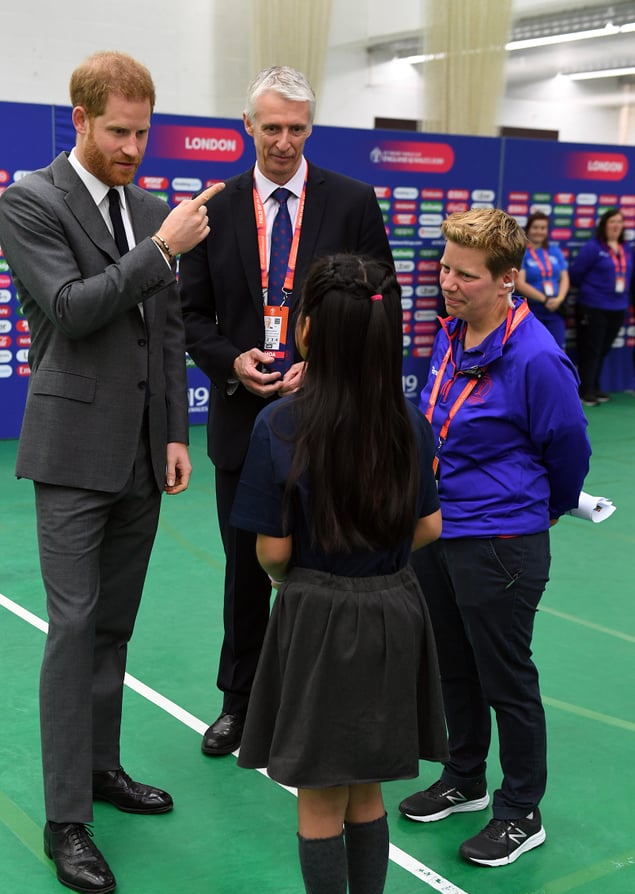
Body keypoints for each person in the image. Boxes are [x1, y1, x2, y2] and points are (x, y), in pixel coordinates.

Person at [0, 51, 223, 894]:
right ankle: (65, 822)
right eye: (118, 132)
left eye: (142, 132)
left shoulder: (150, 207)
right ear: (81, 119)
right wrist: (160, 250)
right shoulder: (31, 201)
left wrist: (173, 432)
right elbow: (74, 309)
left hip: (139, 450)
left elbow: (163, 335)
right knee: (73, 626)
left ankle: (101, 770)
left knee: (115, 625)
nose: (132, 148)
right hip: (69, 450)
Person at [230, 253, 448, 894]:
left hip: (319, 615)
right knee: (366, 794)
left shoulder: (282, 424)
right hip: (394, 609)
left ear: (309, 331)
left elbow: (274, 551)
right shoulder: (408, 423)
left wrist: (300, 585)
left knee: (319, 793)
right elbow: (428, 525)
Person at [179, 66, 393, 757]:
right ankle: (238, 703)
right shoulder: (215, 207)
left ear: (310, 128)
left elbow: (377, 305)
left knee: (328, 571)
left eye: (296, 128)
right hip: (246, 422)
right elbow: (188, 316)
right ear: (247, 127)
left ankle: (325, 699)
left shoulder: (353, 201)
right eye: (270, 127)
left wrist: (325, 363)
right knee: (246, 573)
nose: (282, 141)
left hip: (330, 421)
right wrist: (232, 361)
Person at [398, 208, 591, 868]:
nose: (447, 283)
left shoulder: (536, 357)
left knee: (504, 677)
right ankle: (464, 778)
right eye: (444, 267)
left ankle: (519, 810)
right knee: (452, 663)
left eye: (465, 275)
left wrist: (547, 509)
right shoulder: (450, 334)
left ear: (507, 280)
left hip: (501, 539)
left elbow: (567, 448)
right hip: (438, 529)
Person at [570, 206, 633, 406]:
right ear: (604, 225)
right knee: (591, 349)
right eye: (611, 222)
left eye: (619, 222)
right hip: (593, 306)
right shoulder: (593, 248)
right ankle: (585, 389)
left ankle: (595, 386)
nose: (616, 226)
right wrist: (594, 291)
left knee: (604, 349)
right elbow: (575, 274)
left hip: (618, 306)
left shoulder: (626, 249)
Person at [515, 210, 569, 348]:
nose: (539, 231)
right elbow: (519, 283)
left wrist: (559, 299)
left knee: (558, 351)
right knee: (532, 350)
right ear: (528, 229)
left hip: (554, 309)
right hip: (531, 309)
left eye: (543, 228)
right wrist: (544, 299)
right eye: (535, 227)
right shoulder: (521, 251)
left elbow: (564, 278)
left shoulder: (554, 250)